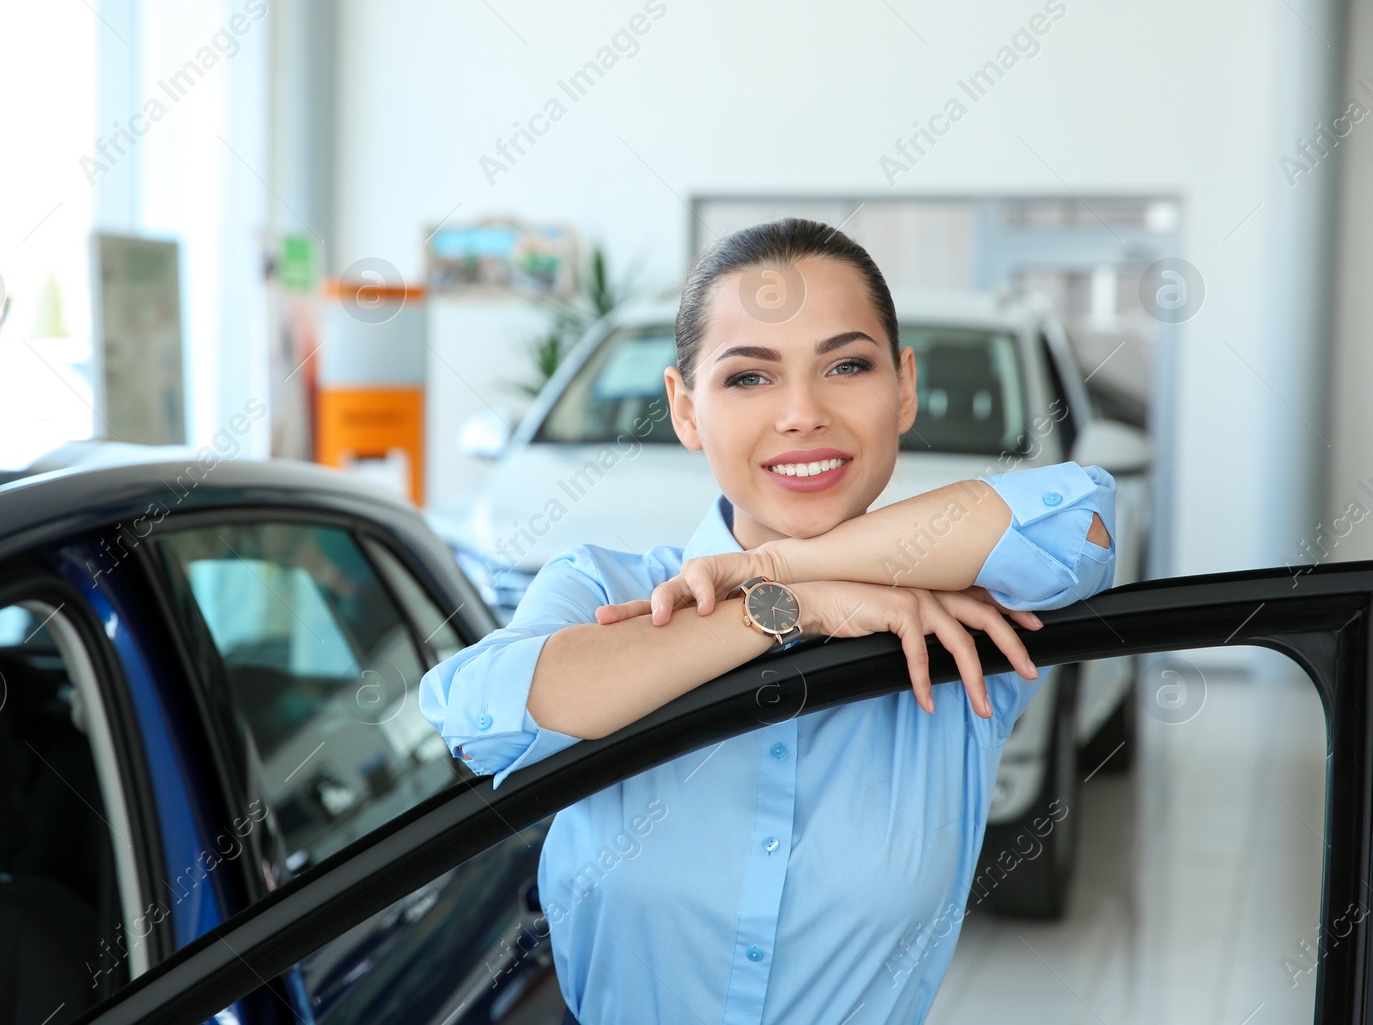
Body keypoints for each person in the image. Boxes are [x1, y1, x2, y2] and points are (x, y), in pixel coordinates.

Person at [418, 217, 1116, 1025]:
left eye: (846, 365)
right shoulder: (607, 587)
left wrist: (775, 568)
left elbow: (1083, 525)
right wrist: (792, 611)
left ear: (904, 387)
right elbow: (479, 716)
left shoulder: (953, 619)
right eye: (749, 377)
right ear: (684, 409)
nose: (801, 413)